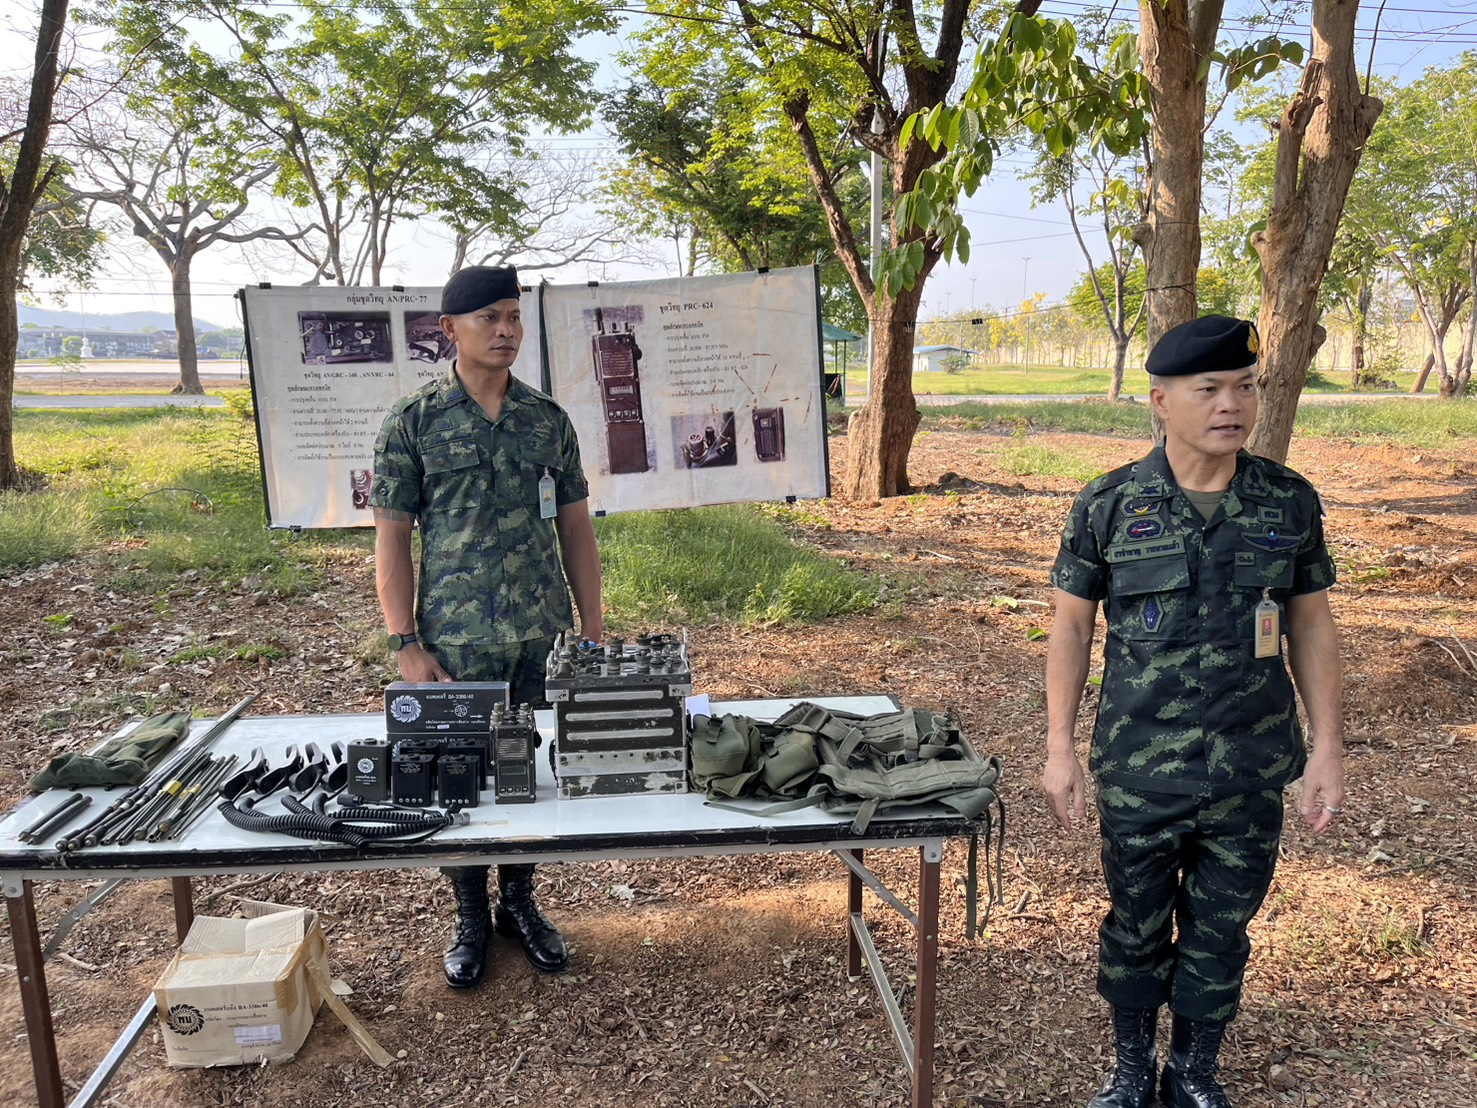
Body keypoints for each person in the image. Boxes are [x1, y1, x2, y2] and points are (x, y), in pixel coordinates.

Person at [1042, 315, 1345, 1108]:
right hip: (1141, 765)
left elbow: (1311, 623)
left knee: (1220, 929)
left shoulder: (1286, 501)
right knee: (1134, 924)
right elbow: (1070, 627)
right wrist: (1058, 749)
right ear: (1160, 402)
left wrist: (1327, 747)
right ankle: (1130, 1071)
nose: (1230, 405)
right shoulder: (1108, 503)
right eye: (1208, 389)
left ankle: (1192, 1071)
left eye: (1243, 387)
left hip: (1249, 766)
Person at [371, 264, 603, 989]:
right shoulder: (414, 422)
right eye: (489, 318)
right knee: (460, 779)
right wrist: (405, 643)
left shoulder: (546, 420)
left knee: (528, 770)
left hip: (540, 635)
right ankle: (470, 910)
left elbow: (575, 529)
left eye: (513, 316)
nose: (506, 331)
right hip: (456, 642)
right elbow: (391, 539)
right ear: (450, 329)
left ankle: (519, 902)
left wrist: (590, 630)